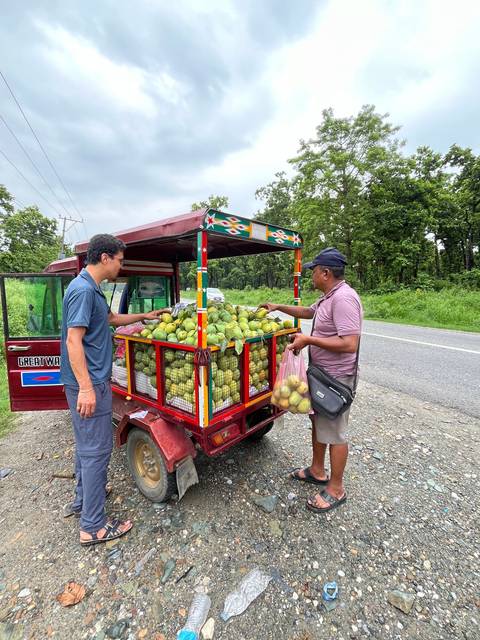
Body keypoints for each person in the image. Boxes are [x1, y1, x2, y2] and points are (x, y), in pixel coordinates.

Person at [61, 234, 167, 546]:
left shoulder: (90, 289)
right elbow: (72, 341)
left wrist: (144, 316)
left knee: (86, 446)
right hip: (89, 382)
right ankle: (92, 525)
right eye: (120, 260)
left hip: (89, 381)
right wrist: (86, 388)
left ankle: (84, 499)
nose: (121, 265)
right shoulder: (82, 291)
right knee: (96, 451)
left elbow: (110, 320)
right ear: (105, 257)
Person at [262, 247, 362, 514]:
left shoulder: (344, 299)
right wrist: (278, 307)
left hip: (337, 378)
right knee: (318, 422)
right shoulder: (328, 296)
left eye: (314, 271)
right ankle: (318, 471)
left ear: (326, 273)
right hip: (322, 374)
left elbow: (350, 343)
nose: (312, 275)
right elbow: (308, 312)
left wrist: (309, 340)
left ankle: (336, 489)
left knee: (335, 432)